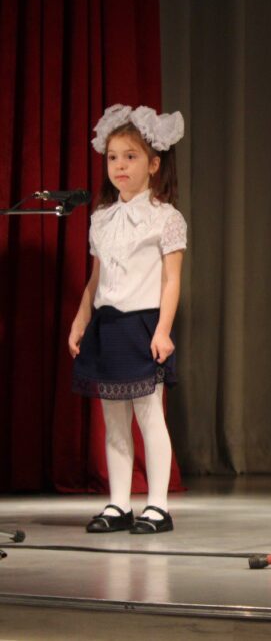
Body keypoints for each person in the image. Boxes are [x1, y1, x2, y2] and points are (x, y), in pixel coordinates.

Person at [69, 104, 187, 534]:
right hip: (108, 325)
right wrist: (80, 320)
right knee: (114, 419)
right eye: (113, 157)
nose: (120, 165)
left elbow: (171, 280)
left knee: (149, 415)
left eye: (131, 156)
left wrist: (163, 330)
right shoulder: (101, 218)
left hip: (143, 325)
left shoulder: (165, 218)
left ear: (153, 164)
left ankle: (157, 506)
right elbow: (96, 279)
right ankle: (119, 504)